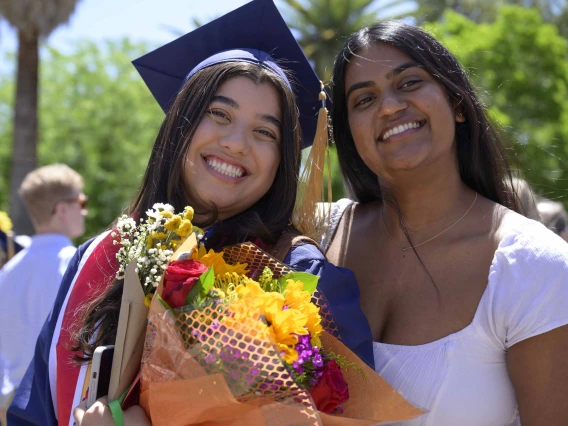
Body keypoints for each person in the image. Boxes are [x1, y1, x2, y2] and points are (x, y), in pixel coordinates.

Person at [7, 1, 374, 425]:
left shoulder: (303, 276)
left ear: (281, 161)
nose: (237, 143)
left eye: (264, 132)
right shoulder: (100, 258)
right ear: (179, 124)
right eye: (218, 113)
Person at [323, 21, 568, 425]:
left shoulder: (535, 269)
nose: (388, 107)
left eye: (409, 83)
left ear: (456, 103)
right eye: (363, 100)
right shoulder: (314, 236)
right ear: (349, 133)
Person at [0, 164, 86, 424]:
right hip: (53, 405)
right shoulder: (74, 265)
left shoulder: (8, 270)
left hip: (11, 406)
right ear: (61, 209)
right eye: (81, 202)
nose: (85, 210)